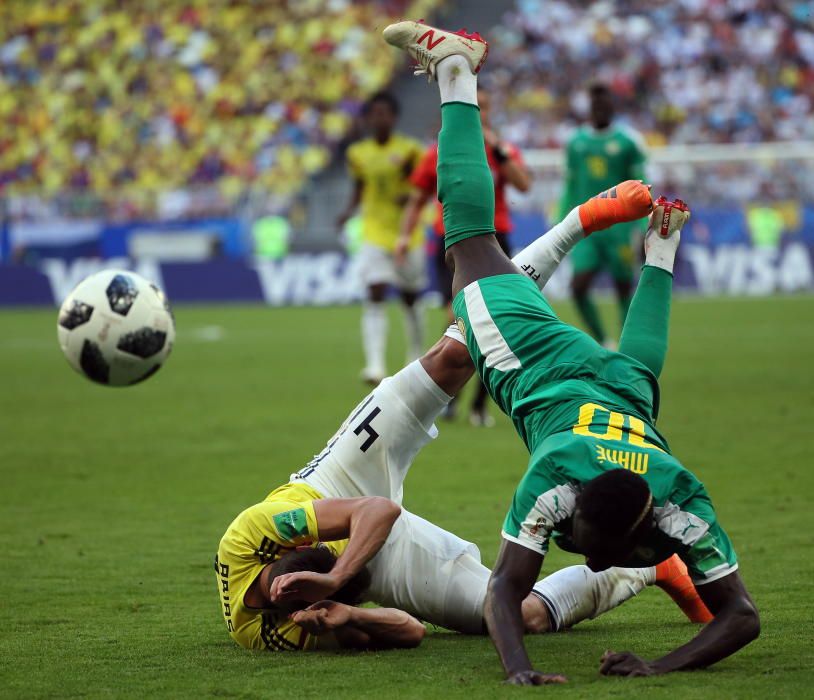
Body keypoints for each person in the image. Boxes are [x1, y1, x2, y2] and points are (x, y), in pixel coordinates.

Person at [383, 19, 759, 685]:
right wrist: (517, 673)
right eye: (592, 549)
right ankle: (457, 74)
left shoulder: (675, 490)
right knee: (470, 243)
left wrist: (657, 666)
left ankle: (660, 252)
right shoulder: (560, 477)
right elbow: (501, 591)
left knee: (638, 372)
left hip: (618, 392)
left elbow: (741, 618)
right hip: (540, 367)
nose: (586, 561)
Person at [215, 181, 711, 653]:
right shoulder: (275, 632)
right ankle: (652, 570)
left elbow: (376, 510)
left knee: (456, 354)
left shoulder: (247, 538)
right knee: (515, 615)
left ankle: (576, 224)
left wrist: (337, 574)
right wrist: (351, 613)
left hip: (335, 485)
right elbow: (408, 632)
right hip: (374, 559)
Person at [399, 89, 532, 425]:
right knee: (455, 317)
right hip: (451, 239)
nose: (481, 114)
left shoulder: (501, 150)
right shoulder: (441, 151)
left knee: (496, 319)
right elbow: (417, 197)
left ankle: (479, 403)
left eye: (485, 108)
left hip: (494, 237)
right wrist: (404, 235)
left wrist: (500, 152)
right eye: (476, 108)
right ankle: (448, 395)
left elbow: (523, 185)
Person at [336, 92, 426, 385]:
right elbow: (360, 186)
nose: (379, 118)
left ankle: (415, 355)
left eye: (384, 113)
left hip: (406, 232)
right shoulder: (358, 154)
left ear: (394, 117)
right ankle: (374, 364)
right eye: (374, 113)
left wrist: (410, 195)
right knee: (375, 290)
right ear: (367, 118)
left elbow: (423, 185)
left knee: (410, 298)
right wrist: (349, 212)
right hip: (374, 230)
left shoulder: (410, 150)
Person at [562, 82, 648, 348]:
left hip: (620, 228)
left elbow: (641, 186)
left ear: (613, 107)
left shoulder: (628, 142)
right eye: (596, 104)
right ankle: (603, 341)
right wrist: (561, 220)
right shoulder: (576, 143)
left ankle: (625, 344)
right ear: (590, 108)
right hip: (586, 226)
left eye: (605, 104)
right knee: (578, 287)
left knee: (623, 286)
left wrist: (643, 225)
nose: (600, 109)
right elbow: (570, 185)